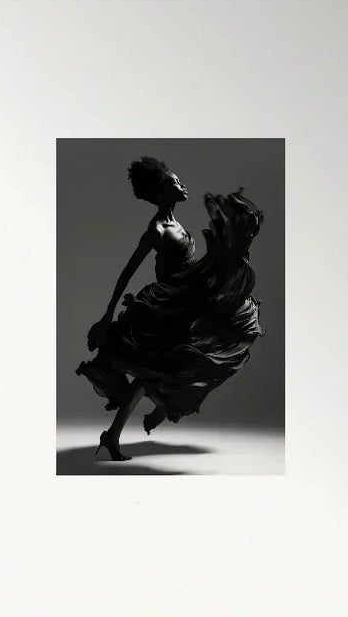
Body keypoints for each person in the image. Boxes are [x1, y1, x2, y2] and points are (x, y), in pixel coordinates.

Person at [77, 154, 264, 462]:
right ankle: (130, 425)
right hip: (167, 306)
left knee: (194, 357)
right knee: (165, 365)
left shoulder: (174, 223)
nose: (183, 184)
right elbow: (128, 270)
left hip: (186, 299)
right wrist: (107, 314)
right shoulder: (157, 230)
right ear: (163, 190)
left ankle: (125, 428)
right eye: (177, 182)